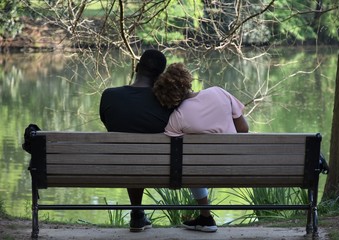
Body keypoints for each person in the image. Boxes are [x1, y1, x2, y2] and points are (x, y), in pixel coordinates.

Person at [153, 63, 249, 232]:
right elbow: (243, 129)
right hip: (239, 166)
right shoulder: (218, 92)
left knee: (186, 163)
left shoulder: (177, 117)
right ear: (186, 80)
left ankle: (206, 216)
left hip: (203, 172)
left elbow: (172, 151)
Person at [99, 49, 173, 232]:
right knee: (138, 155)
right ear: (160, 76)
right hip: (165, 168)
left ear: (137, 67)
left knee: (131, 154)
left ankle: (137, 212)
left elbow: (109, 124)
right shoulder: (167, 102)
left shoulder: (109, 96)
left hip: (117, 165)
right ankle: (204, 213)